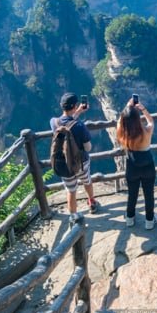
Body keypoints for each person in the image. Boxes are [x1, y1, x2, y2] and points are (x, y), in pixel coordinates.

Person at [51, 92, 100, 224]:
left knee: (71, 190)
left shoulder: (54, 122)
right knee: (86, 181)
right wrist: (77, 115)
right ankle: (92, 202)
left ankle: (73, 217)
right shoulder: (80, 126)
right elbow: (88, 147)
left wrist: (77, 112)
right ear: (75, 106)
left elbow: (66, 124)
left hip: (64, 164)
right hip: (81, 163)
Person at [116, 96, 157, 229]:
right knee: (149, 194)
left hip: (132, 167)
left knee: (132, 194)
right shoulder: (146, 132)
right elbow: (151, 120)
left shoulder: (123, 134)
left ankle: (129, 218)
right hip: (148, 166)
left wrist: (127, 108)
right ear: (137, 118)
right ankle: (149, 221)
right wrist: (143, 109)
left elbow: (120, 122)